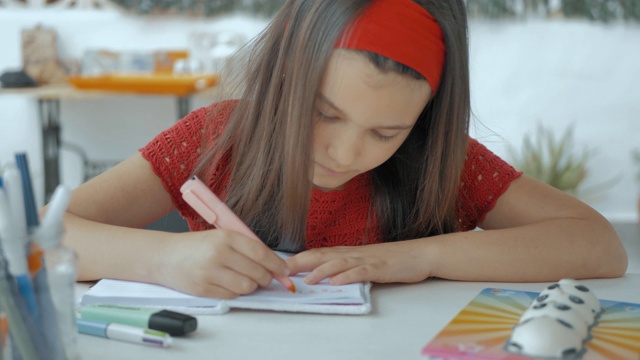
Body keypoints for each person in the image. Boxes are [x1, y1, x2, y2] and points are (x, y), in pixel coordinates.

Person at [60, 0, 627, 299]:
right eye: (322, 113)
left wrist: (419, 257)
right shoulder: (216, 137)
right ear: (284, 77)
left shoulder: (438, 158)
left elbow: (599, 245)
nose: (345, 151)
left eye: (387, 133)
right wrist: (164, 259)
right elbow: (48, 234)